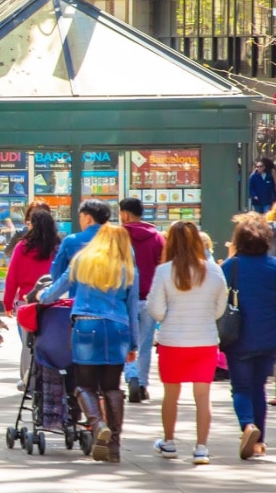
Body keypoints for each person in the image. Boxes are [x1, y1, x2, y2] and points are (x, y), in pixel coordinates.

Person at [39, 224, 140, 464]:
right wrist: (133, 343)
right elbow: (133, 307)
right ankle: (113, 446)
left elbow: (56, 290)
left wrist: (41, 297)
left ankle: (98, 424)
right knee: (112, 387)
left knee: (84, 385)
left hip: (85, 326)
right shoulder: (128, 269)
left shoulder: (82, 262)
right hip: (117, 328)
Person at [146, 221, 228, 464]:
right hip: (204, 341)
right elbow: (220, 307)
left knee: (171, 394)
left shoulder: (164, 271)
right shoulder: (213, 271)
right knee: (202, 395)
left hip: (173, 341)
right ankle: (201, 447)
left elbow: (155, 309)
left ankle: (169, 442)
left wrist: (170, 317)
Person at [223, 213, 276, 459]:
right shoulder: (273, 267)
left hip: (239, 338)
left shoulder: (230, 266)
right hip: (269, 339)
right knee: (259, 388)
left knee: (241, 389)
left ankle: (247, 425)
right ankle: (260, 442)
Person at [3, 207, 59, 385]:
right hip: (52, 300)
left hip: (26, 302)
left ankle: (28, 379)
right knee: (51, 340)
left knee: (28, 343)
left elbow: (12, 277)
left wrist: (8, 303)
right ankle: (51, 376)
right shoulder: (57, 247)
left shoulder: (22, 247)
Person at [120, 198, 166, 403]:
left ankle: (131, 375)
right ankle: (142, 384)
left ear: (125, 215)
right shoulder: (157, 238)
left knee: (126, 342)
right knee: (145, 344)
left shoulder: (118, 237)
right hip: (149, 298)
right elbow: (163, 267)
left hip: (123, 299)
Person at [49, 199, 112, 283]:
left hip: (78, 294)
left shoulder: (71, 241)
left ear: (88, 219)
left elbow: (56, 273)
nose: (80, 220)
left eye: (80, 217)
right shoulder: (120, 241)